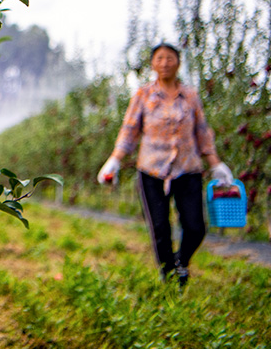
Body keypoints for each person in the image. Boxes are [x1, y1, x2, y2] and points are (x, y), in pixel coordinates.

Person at [97, 43, 233, 287]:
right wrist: (114, 160)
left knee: (195, 227)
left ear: (178, 62)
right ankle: (170, 280)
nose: (165, 62)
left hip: (187, 168)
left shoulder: (190, 95)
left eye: (170, 58)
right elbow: (130, 130)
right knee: (160, 227)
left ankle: (181, 262)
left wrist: (216, 164)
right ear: (153, 64)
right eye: (160, 58)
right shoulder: (143, 94)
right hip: (151, 169)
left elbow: (201, 132)